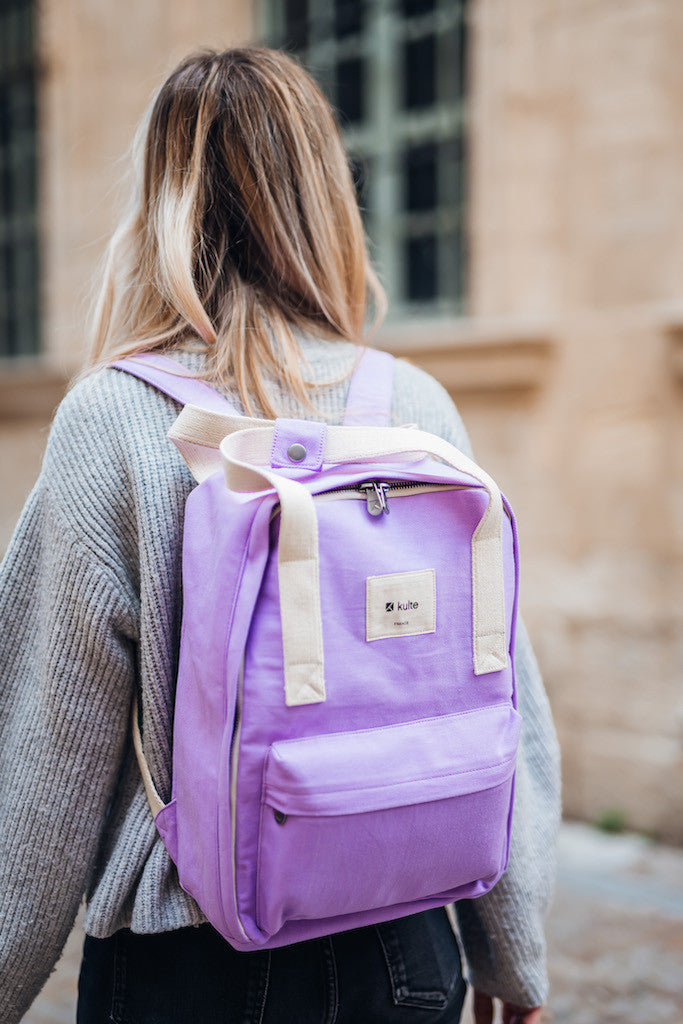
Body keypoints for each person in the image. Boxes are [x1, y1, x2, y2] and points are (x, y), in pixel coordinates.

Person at [0, 48, 560, 1024]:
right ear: (324, 196)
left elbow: (44, 749)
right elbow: (504, 702)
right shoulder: (411, 406)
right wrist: (512, 960)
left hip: (188, 965)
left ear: (160, 201)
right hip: (406, 947)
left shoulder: (115, 419)